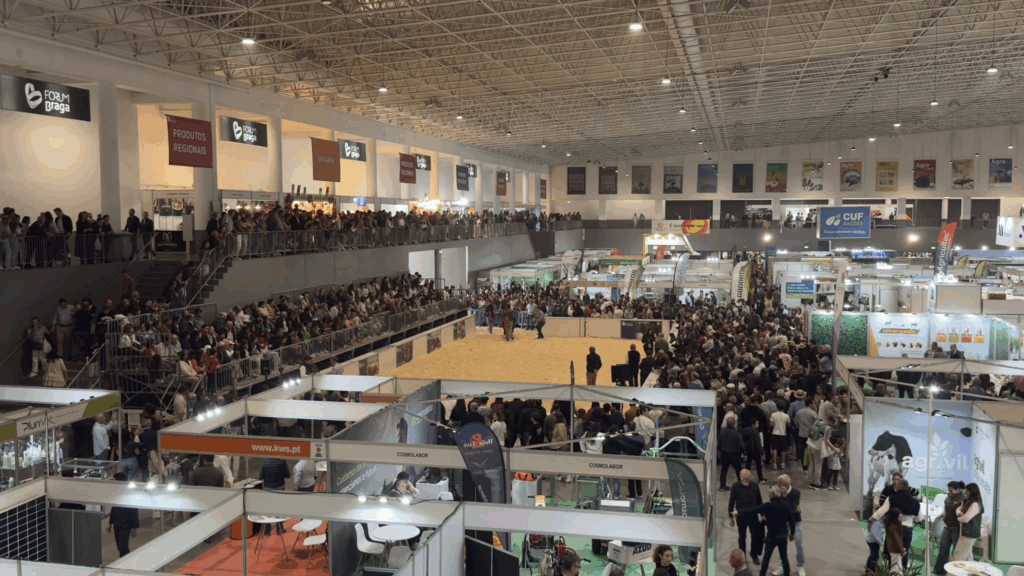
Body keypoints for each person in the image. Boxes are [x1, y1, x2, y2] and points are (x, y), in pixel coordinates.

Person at [738, 486, 795, 576]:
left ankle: (762, 574)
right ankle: (787, 574)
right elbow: (792, 521)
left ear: (772, 494)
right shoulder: (786, 505)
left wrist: (739, 512)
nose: (768, 495)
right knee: (784, 557)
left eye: (769, 493)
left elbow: (753, 510)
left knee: (767, 557)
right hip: (783, 536)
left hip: (772, 536)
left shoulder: (768, 505)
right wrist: (792, 534)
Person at [869, 479, 920, 572]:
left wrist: (871, 519)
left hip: (894, 528)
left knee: (892, 552)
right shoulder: (915, 502)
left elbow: (881, 511)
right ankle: (903, 571)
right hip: (908, 529)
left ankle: (891, 571)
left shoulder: (892, 498)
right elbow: (919, 519)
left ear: (898, 487)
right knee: (904, 552)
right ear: (907, 488)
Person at [729, 469, 764, 565]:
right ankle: (742, 555)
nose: (747, 479)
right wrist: (731, 517)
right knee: (742, 537)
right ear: (741, 478)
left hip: (753, 516)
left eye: (748, 477)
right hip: (741, 517)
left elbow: (759, 500)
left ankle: (753, 553)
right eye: (745, 478)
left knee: (755, 535)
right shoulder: (735, 486)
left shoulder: (755, 486)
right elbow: (731, 501)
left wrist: (762, 514)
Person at [774, 475, 804, 576]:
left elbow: (792, 507)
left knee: (799, 544)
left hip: (796, 522)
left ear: (785, 484)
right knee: (782, 545)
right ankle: (782, 567)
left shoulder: (796, 492)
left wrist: (785, 496)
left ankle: (800, 566)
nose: (778, 485)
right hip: (783, 522)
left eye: (779, 483)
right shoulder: (778, 492)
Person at [933, 481, 965, 575]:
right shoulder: (948, 497)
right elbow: (945, 509)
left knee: (956, 551)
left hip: (957, 528)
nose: (950, 491)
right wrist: (941, 515)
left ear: (958, 489)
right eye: (949, 489)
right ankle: (940, 569)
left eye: (952, 489)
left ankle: (954, 572)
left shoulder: (963, 499)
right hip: (947, 526)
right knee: (943, 547)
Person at [108, 472, 139, 557]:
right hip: (117, 523)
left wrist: (134, 528)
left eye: (115, 480)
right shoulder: (117, 492)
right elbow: (114, 508)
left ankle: (126, 561)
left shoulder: (129, 492)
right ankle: (123, 560)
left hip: (126, 524)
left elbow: (134, 510)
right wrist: (110, 523)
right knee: (120, 547)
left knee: (123, 546)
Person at [951, 482, 984, 561]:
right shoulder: (968, 501)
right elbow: (958, 509)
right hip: (966, 532)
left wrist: (958, 518)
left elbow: (965, 519)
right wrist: (959, 514)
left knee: (957, 556)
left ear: (972, 492)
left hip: (969, 534)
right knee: (968, 556)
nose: (965, 492)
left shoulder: (975, 504)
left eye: (967, 491)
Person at [719, 417, 745, 491]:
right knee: (739, 470)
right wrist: (744, 453)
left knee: (724, 470)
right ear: (734, 424)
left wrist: (719, 451)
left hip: (725, 454)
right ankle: (741, 484)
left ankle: (722, 486)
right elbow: (741, 444)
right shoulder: (737, 433)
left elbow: (719, 443)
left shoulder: (722, 432)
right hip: (735, 454)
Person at [741, 419, 766, 484]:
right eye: (757, 423)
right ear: (753, 424)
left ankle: (745, 478)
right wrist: (762, 453)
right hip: (755, 450)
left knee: (748, 465)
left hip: (747, 450)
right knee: (758, 465)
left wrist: (744, 452)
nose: (758, 425)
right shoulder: (755, 432)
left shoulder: (744, 431)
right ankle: (760, 479)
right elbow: (758, 443)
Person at [882, 509, 907, 573]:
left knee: (896, 566)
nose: (901, 518)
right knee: (896, 567)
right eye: (899, 516)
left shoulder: (891, 525)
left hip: (893, 549)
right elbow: (897, 540)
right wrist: (902, 550)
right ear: (895, 517)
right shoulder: (893, 527)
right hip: (895, 550)